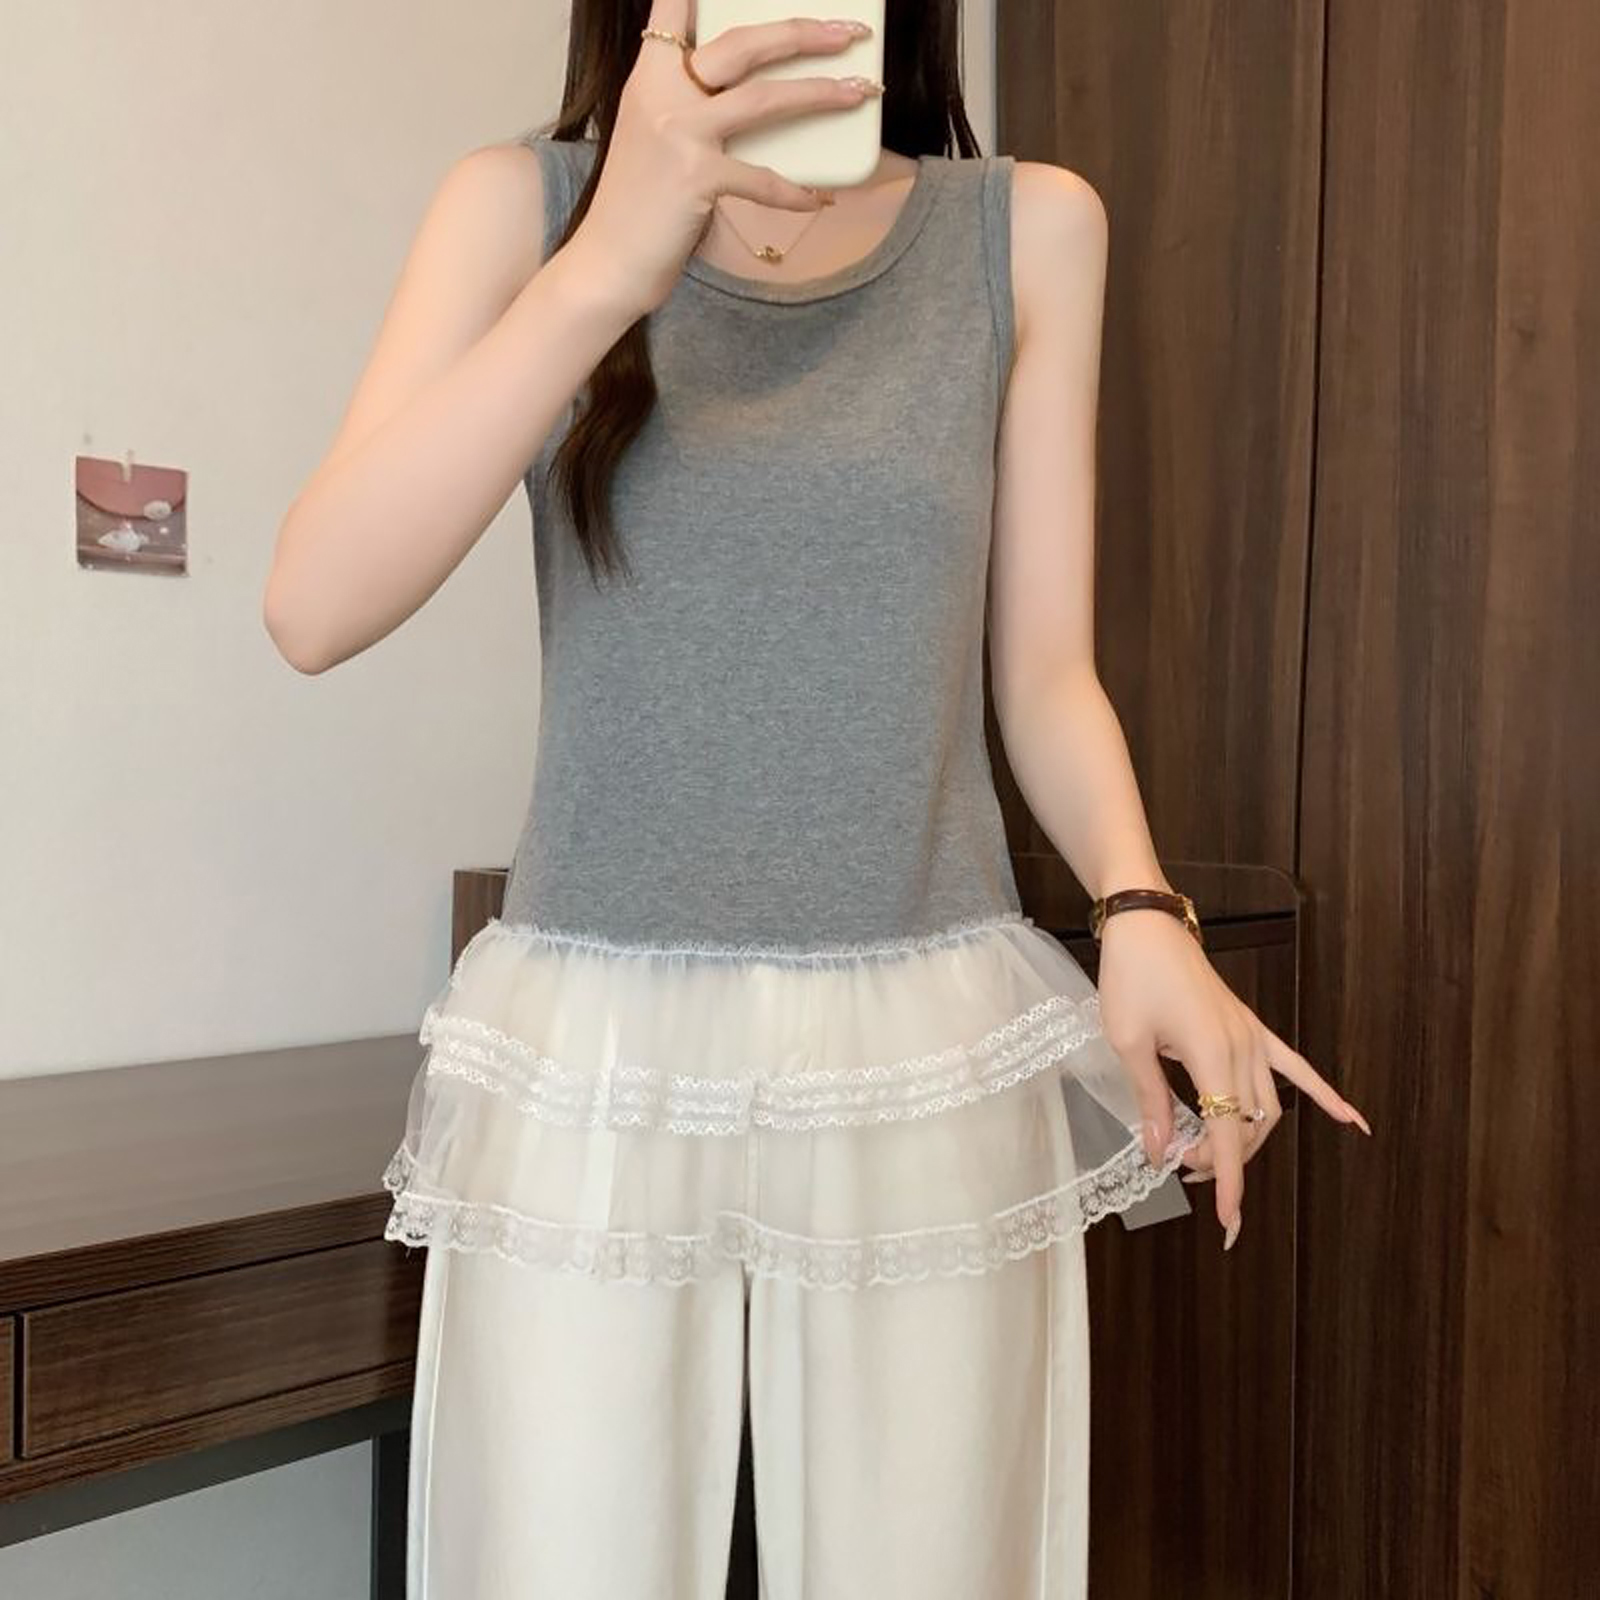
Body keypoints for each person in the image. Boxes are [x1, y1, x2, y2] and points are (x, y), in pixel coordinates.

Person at [263, 3, 1371, 1595]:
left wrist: (1142, 909)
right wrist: (609, 262)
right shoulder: (520, 207)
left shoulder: (1028, 231)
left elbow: (1044, 672)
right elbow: (315, 605)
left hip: (918, 1031)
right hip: (597, 1042)